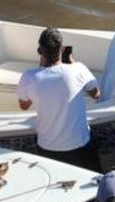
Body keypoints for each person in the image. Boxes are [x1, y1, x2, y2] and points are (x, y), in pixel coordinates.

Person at [17, 27, 103, 170]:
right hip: (80, 146)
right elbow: (96, 94)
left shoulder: (29, 77)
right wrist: (73, 63)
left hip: (47, 148)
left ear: (39, 52)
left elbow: (24, 105)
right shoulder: (78, 69)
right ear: (62, 50)